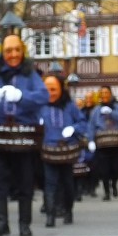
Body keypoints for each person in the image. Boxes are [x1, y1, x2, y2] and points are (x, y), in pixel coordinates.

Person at [0, 34, 47, 236]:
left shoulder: (30, 74)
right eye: (8, 50)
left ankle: (24, 224)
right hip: (0, 136)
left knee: (25, 181)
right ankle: (1, 223)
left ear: (22, 51)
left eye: (17, 50)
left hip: (24, 135)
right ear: (2, 53)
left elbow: (43, 96)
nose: (13, 54)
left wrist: (22, 97)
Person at [40, 73, 87, 227]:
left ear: (61, 89)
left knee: (67, 183)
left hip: (67, 150)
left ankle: (68, 210)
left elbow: (82, 122)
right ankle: (50, 215)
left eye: (53, 89)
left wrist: (73, 129)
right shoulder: (39, 106)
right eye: (47, 89)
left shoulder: (69, 105)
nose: (50, 93)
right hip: (48, 150)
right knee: (50, 183)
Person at [86, 86, 118, 201]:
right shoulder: (96, 110)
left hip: (116, 142)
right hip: (102, 143)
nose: (104, 95)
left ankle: (114, 183)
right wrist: (90, 140)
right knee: (104, 169)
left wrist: (112, 113)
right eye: (102, 93)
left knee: (117, 169)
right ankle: (106, 192)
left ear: (110, 94)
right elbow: (91, 126)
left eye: (106, 92)